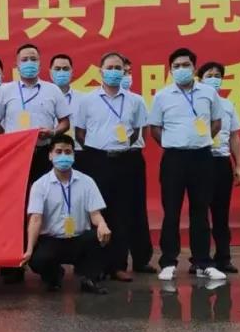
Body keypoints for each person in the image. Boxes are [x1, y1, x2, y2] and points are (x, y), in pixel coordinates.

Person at [0, 43, 73, 284]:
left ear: (40, 63)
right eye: (25, 59)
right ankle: (13, 266)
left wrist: (52, 132)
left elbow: (65, 122)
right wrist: (11, 141)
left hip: (42, 154)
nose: (29, 63)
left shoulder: (52, 90)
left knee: (46, 208)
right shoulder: (5, 90)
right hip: (14, 158)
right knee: (13, 208)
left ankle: (48, 265)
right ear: (16, 64)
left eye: (33, 59)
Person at [148, 47, 226, 282]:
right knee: (171, 212)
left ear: (194, 67)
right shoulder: (162, 96)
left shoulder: (208, 93)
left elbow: (216, 122)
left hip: (202, 158)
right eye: (176, 66)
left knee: (200, 211)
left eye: (186, 65)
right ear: (170, 70)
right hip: (174, 159)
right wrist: (173, 143)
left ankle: (202, 262)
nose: (181, 69)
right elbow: (155, 129)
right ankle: (168, 262)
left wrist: (199, 140)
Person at [74, 52, 148, 282]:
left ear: (124, 71)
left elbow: (136, 131)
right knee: (96, 212)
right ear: (101, 71)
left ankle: (118, 265)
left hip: (124, 161)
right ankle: (95, 265)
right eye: (110, 67)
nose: (114, 72)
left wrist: (120, 145)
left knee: (122, 214)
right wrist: (97, 150)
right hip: (97, 160)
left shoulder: (135, 100)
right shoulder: (87, 100)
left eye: (119, 68)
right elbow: (80, 132)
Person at [22, 133, 111, 294]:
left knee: (99, 238)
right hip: (52, 239)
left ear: (74, 156)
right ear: (50, 155)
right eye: (59, 152)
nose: (63, 156)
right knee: (38, 259)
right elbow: (35, 219)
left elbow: (95, 214)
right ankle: (54, 276)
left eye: (68, 152)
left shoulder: (87, 182)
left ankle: (88, 278)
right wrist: (29, 250)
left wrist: (102, 224)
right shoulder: (40, 185)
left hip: (78, 238)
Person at [196, 61, 240, 274]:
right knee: (200, 213)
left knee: (221, 214)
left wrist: (239, 165)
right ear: (200, 79)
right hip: (200, 160)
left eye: (218, 76)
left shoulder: (228, 105)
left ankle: (223, 257)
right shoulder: (194, 103)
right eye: (209, 75)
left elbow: (234, 136)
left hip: (221, 161)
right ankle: (200, 259)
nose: (214, 79)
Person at [121, 57, 157, 273]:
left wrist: (129, 146)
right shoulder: (96, 100)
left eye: (128, 71)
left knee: (137, 208)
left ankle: (141, 258)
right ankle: (114, 262)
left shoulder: (137, 100)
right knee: (113, 210)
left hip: (132, 157)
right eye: (120, 70)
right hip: (108, 157)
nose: (125, 76)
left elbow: (144, 130)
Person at [50, 53, 81, 149]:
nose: (61, 72)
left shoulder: (83, 98)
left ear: (72, 72)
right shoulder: (43, 97)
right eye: (57, 69)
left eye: (65, 69)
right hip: (51, 150)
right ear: (50, 72)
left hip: (78, 149)